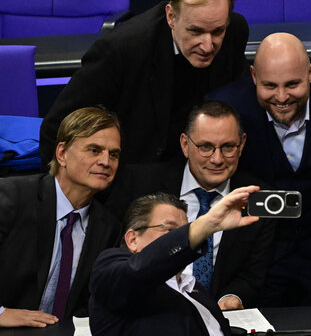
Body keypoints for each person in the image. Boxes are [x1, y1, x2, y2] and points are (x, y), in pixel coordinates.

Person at [40, 0, 250, 167]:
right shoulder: (122, 49)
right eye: (195, 31)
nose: (207, 45)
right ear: (171, 16)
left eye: (217, 31)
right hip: (137, 171)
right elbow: (56, 128)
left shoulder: (235, 31)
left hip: (201, 164)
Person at [208, 32, 311, 306]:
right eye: (269, 86)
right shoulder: (225, 111)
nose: (281, 97)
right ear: (253, 76)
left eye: (292, 84)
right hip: (258, 253)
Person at [105, 101, 275, 309]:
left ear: (242, 144)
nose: (217, 159)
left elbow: (253, 275)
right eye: (205, 147)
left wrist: (232, 298)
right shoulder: (139, 184)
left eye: (228, 147)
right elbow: (114, 259)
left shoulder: (257, 198)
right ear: (185, 145)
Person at [0, 107, 121, 328]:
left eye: (113, 154)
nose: (106, 161)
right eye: (94, 150)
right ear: (62, 153)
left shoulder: (108, 227)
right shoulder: (11, 197)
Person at [89, 190, 259, 336]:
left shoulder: (193, 288)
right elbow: (138, 271)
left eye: (184, 230)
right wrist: (207, 224)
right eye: (170, 231)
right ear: (133, 239)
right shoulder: (111, 268)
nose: (184, 238)